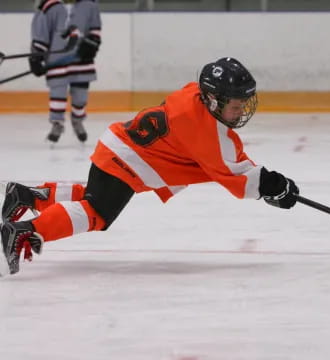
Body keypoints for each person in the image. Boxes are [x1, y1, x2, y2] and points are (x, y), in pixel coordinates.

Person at [0, 57, 299, 276]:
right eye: (235, 104)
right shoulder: (206, 130)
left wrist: (270, 185)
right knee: (97, 214)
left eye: (244, 103)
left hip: (124, 149)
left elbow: (228, 160)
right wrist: (276, 187)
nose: (241, 111)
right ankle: (25, 231)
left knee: (93, 197)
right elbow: (238, 177)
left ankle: (28, 196)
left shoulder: (192, 94)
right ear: (211, 100)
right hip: (128, 159)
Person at [29, 0, 102, 143]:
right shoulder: (49, 6)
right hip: (57, 59)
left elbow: (95, 27)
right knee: (58, 93)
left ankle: (77, 120)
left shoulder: (89, 5)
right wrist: (36, 57)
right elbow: (41, 33)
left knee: (80, 96)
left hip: (81, 59)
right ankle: (57, 123)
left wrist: (92, 43)